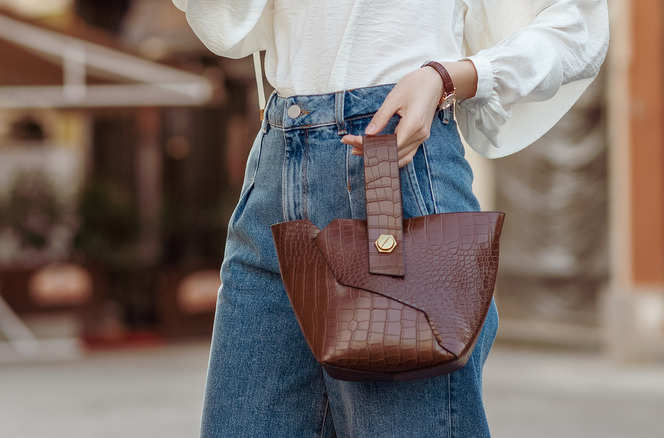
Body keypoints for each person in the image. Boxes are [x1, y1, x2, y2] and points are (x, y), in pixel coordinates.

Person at [173, 1, 609, 436]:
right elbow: (226, 23)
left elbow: (574, 27)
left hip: (395, 162)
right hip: (276, 168)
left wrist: (446, 78)